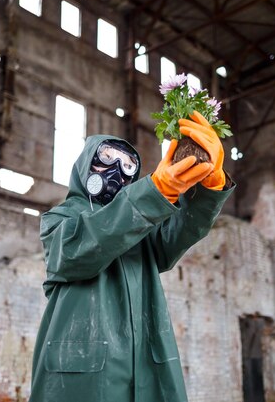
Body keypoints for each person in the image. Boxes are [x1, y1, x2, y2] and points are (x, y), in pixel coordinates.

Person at [28, 111, 234, 402]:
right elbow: (82, 248)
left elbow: (179, 232)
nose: (116, 171)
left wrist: (209, 189)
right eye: (107, 159)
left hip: (145, 366)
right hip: (86, 375)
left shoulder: (141, 225)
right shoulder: (61, 219)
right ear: (86, 165)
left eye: (127, 166)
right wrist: (154, 191)